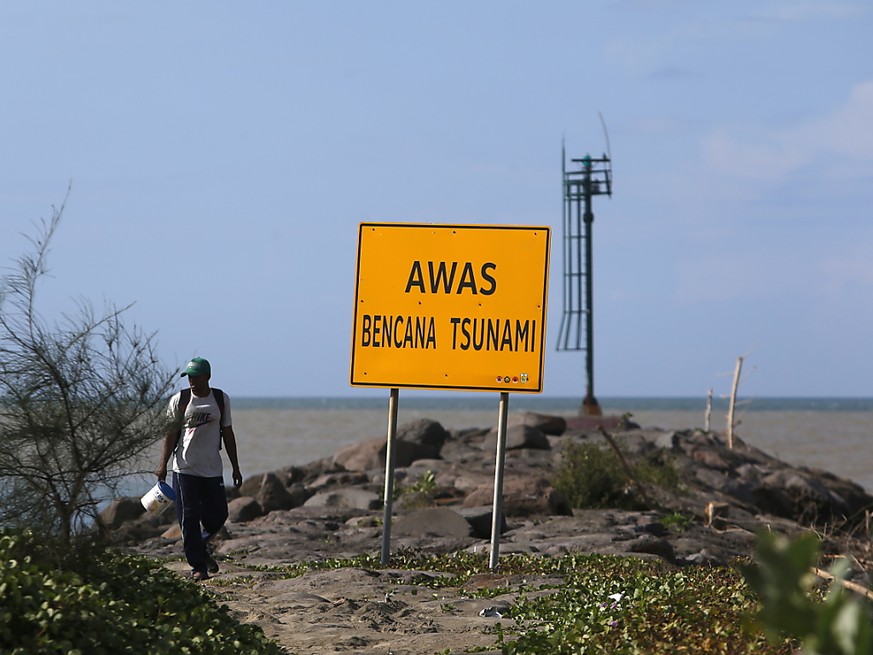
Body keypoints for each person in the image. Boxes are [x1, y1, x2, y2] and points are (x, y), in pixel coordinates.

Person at [156, 357, 243, 581]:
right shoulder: (180, 400)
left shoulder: (220, 399)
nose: (192, 381)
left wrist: (235, 467)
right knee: (190, 517)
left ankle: (199, 545)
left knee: (219, 515)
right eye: (189, 377)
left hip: (212, 468)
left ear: (208, 376)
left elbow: (228, 433)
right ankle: (198, 567)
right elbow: (171, 435)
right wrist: (162, 465)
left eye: (196, 376)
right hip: (184, 468)